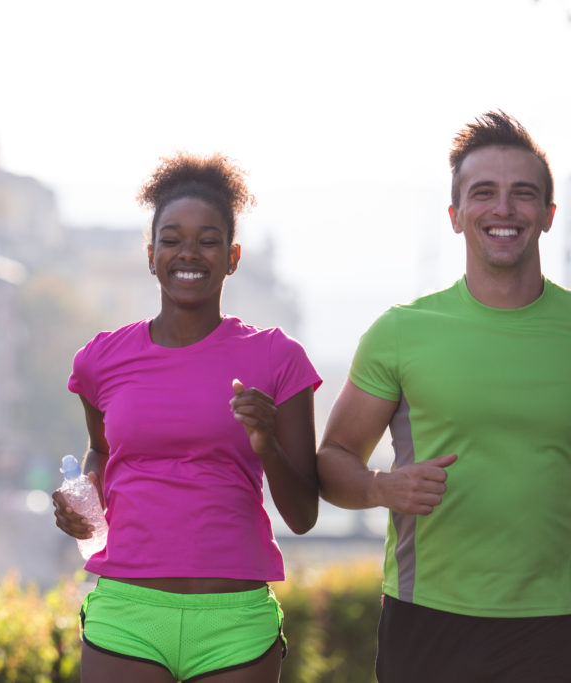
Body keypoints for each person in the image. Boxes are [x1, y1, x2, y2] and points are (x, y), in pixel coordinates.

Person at [316, 111, 571, 682]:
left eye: (522, 194)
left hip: (559, 622)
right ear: (455, 216)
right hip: (428, 618)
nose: (503, 209)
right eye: (484, 193)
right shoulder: (401, 332)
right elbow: (331, 461)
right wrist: (383, 487)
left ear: (549, 216)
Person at [52, 152, 322, 683]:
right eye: (172, 239)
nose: (188, 253)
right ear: (150, 255)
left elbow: (304, 514)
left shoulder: (277, 358)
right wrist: (84, 502)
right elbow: (102, 452)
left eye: (208, 239)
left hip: (235, 624)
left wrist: (266, 442)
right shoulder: (101, 359)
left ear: (233, 255)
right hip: (126, 615)